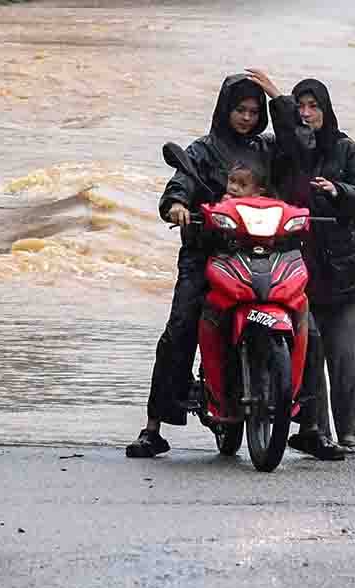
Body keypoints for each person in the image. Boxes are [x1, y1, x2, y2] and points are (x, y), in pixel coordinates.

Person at [126, 74, 278, 458]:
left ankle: (307, 421)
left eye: (254, 112)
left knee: (302, 318)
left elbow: (303, 144)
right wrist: (177, 205)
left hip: (256, 254)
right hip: (205, 254)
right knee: (180, 328)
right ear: (225, 110)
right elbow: (181, 180)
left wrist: (280, 98)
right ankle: (153, 427)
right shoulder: (203, 150)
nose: (246, 117)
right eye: (240, 110)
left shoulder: (270, 149)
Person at [246, 69, 355, 456]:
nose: (306, 113)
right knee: (307, 352)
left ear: (326, 109)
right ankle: (315, 429)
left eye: (312, 106)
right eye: (299, 106)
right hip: (293, 269)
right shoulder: (282, 151)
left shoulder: (346, 149)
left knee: (345, 357)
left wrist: (339, 191)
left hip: (341, 272)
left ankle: (349, 431)